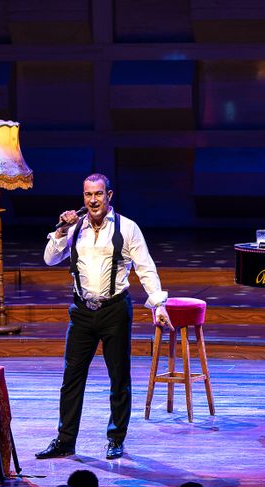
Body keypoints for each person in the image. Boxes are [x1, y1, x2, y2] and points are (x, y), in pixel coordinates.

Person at [36, 173, 172, 460]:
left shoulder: (128, 228)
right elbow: (50, 258)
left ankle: (116, 438)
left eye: (98, 194)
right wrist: (61, 230)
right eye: (88, 195)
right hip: (82, 312)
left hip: (114, 310)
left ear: (109, 196)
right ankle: (65, 440)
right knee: (71, 377)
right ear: (83, 198)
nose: (93, 200)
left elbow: (145, 268)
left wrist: (158, 305)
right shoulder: (75, 228)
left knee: (118, 377)